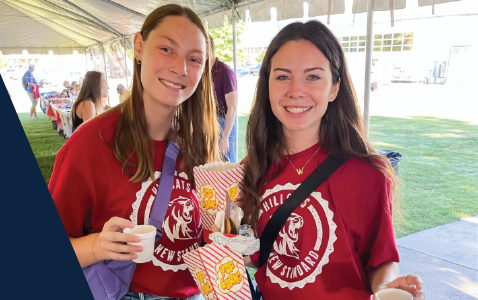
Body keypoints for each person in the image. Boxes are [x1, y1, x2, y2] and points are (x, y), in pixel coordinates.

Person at [237, 20, 425, 300]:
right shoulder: (249, 169)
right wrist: (231, 244)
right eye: (282, 76)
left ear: (334, 87)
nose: (295, 90)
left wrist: (386, 286)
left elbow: (380, 259)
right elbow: (256, 257)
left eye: (312, 77)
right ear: (267, 85)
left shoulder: (369, 172)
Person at [49, 4, 220, 300]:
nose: (180, 68)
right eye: (167, 49)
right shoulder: (89, 145)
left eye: (194, 59)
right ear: (139, 47)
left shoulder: (198, 145)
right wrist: (96, 246)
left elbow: (206, 235)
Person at [208, 35, 239, 163]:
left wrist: (225, 137)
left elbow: (232, 108)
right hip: (210, 123)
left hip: (224, 124)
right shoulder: (204, 72)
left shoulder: (225, 72)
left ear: (208, 48)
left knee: (228, 165)